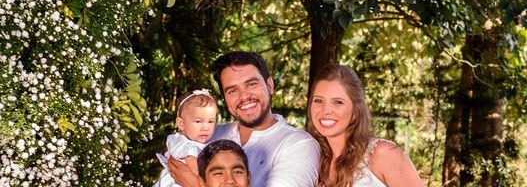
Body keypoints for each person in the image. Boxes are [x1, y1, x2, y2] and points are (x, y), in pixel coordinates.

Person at [170, 51, 320, 187]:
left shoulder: (299, 144)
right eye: (232, 90)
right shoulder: (209, 133)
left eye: (252, 84)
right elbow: (172, 165)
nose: (244, 97)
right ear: (225, 98)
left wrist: (195, 184)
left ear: (270, 85)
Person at [307, 64, 423, 187]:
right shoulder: (314, 161)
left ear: (355, 111)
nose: (326, 110)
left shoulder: (383, 154)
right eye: (319, 100)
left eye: (338, 102)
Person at [155, 89, 218, 187]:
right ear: (181, 124)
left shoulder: (206, 144)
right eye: (198, 121)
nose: (206, 127)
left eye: (210, 121)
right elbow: (197, 171)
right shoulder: (183, 143)